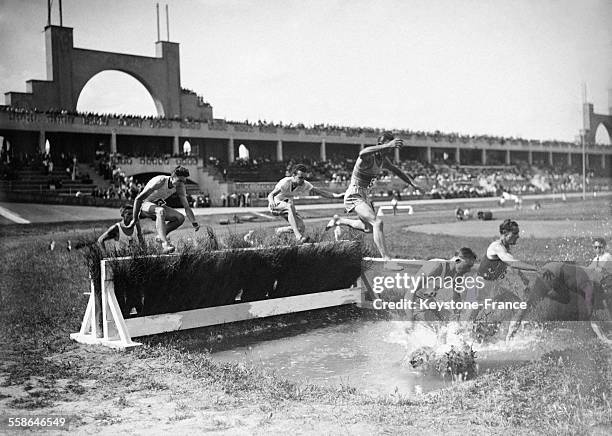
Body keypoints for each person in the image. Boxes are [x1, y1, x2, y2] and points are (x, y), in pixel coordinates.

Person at [325, 132, 420, 260]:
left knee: (368, 228)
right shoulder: (369, 156)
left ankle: (340, 221)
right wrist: (387, 145)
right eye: (390, 147)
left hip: (364, 195)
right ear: (381, 145)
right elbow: (362, 153)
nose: (391, 150)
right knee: (377, 222)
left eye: (392, 148)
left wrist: (412, 183)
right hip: (354, 194)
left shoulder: (383, 160)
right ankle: (386, 259)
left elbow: (396, 170)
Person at [127, 166, 199, 254]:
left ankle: (160, 237)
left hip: (157, 206)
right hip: (144, 205)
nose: (181, 184)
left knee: (180, 218)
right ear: (172, 177)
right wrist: (134, 219)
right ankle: (165, 244)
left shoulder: (180, 187)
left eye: (183, 181)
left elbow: (187, 207)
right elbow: (138, 199)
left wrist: (194, 222)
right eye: (179, 180)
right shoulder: (160, 181)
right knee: (160, 211)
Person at [268, 163, 342, 243]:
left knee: (301, 227)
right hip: (276, 204)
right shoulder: (285, 182)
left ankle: (279, 231)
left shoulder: (305, 184)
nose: (302, 180)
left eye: (304, 178)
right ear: (293, 175)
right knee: (290, 205)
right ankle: (298, 236)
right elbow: (271, 195)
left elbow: (320, 192)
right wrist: (271, 202)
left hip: (288, 206)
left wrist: (336, 196)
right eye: (300, 178)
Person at [405, 247, 478, 324]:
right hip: (414, 302)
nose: (469, 270)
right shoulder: (437, 266)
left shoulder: (458, 275)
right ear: (458, 260)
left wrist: (457, 320)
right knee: (437, 327)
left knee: (450, 324)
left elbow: (456, 296)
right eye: (468, 266)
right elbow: (410, 292)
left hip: (429, 301)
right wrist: (410, 321)